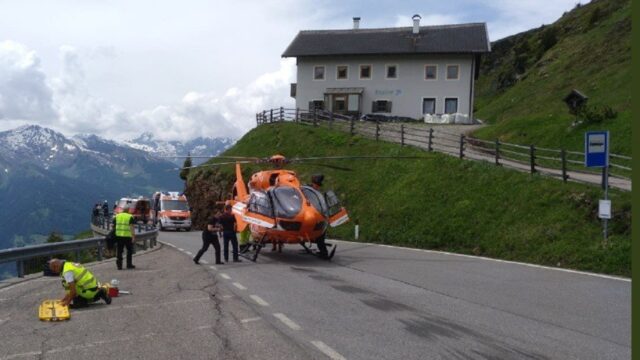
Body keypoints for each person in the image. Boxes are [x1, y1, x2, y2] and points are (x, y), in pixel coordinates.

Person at [309, 174, 329, 259]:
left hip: (317, 218)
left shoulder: (318, 195)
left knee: (321, 234)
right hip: (308, 216)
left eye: (318, 185)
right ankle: (323, 251)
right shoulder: (307, 192)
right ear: (313, 183)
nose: (317, 187)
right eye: (316, 185)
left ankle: (323, 252)